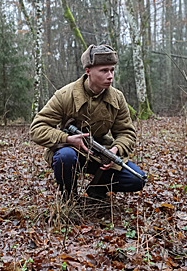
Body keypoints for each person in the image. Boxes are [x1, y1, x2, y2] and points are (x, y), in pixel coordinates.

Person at [30, 44, 145, 201]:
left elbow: (126, 132)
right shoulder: (64, 96)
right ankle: (69, 198)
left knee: (136, 179)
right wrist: (68, 139)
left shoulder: (117, 98)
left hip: (102, 153)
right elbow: (37, 128)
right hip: (72, 151)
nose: (110, 75)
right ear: (88, 71)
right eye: (104, 71)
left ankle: (96, 189)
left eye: (112, 70)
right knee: (65, 157)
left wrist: (116, 150)